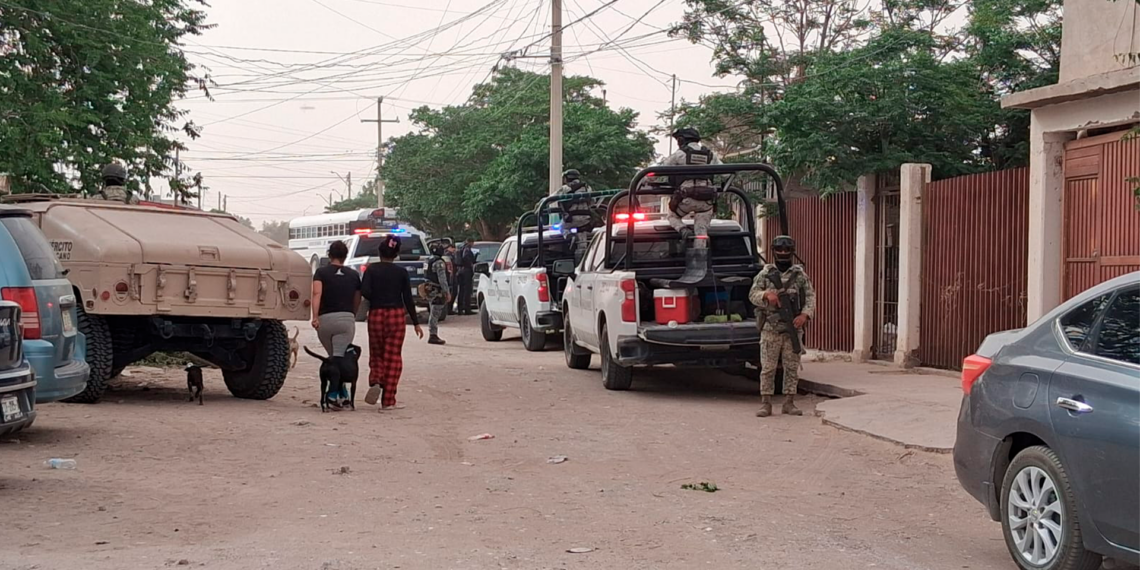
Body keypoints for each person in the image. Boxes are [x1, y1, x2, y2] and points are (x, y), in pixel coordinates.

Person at [748, 235, 816, 418]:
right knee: (768, 368)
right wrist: (765, 295)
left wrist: (804, 315)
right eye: (780, 249)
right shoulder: (765, 274)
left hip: (793, 327)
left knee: (791, 367)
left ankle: (789, 402)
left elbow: (810, 297)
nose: (783, 253)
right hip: (771, 328)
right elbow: (752, 294)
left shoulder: (799, 276)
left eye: (787, 250)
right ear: (774, 251)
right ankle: (766, 403)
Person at [360, 234, 423, 411]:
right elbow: (408, 298)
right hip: (396, 315)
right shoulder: (401, 272)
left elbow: (365, 291)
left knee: (376, 352)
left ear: (379, 253)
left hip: (376, 314)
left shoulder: (371, 270)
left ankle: (376, 379)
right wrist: (416, 322)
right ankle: (388, 400)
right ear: (396, 254)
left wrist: (376, 296)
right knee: (393, 356)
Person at [310, 240, 362, 408]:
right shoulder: (353, 275)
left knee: (334, 358)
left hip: (325, 320)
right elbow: (357, 298)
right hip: (345, 320)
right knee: (339, 358)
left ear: (329, 255)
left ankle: (340, 393)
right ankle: (335, 395)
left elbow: (316, 294)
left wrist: (315, 316)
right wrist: (352, 314)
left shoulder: (321, 272)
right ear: (345, 256)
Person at [656, 127, 721, 245]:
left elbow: (659, 171)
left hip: (686, 198)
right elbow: (727, 174)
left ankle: (683, 230)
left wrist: (644, 180)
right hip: (706, 201)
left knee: (672, 217)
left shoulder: (679, 154)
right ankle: (700, 251)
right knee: (701, 232)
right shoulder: (710, 154)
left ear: (681, 140)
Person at [424, 240, 452, 345]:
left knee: (433, 311)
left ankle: (432, 333)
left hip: (429, 289)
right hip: (437, 290)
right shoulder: (439, 262)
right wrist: (447, 292)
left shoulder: (428, 260)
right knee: (435, 313)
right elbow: (442, 279)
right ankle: (433, 335)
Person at [556, 169, 595, 238]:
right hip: (586, 218)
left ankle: (569, 236)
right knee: (582, 230)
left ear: (567, 178)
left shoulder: (565, 188)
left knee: (562, 227)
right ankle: (582, 243)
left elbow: (552, 198)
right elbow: (593, 201)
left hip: (572, 219)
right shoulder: (587, 188)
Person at [455, 238, 477, 315]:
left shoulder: (460, 248)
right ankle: (467, 309)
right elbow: (465, 257)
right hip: (466, 271)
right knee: (467, 290)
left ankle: (460, 309)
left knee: (461, 290)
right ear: (470, 242)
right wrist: (470, 264)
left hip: (460, 271)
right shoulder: (467, 249)